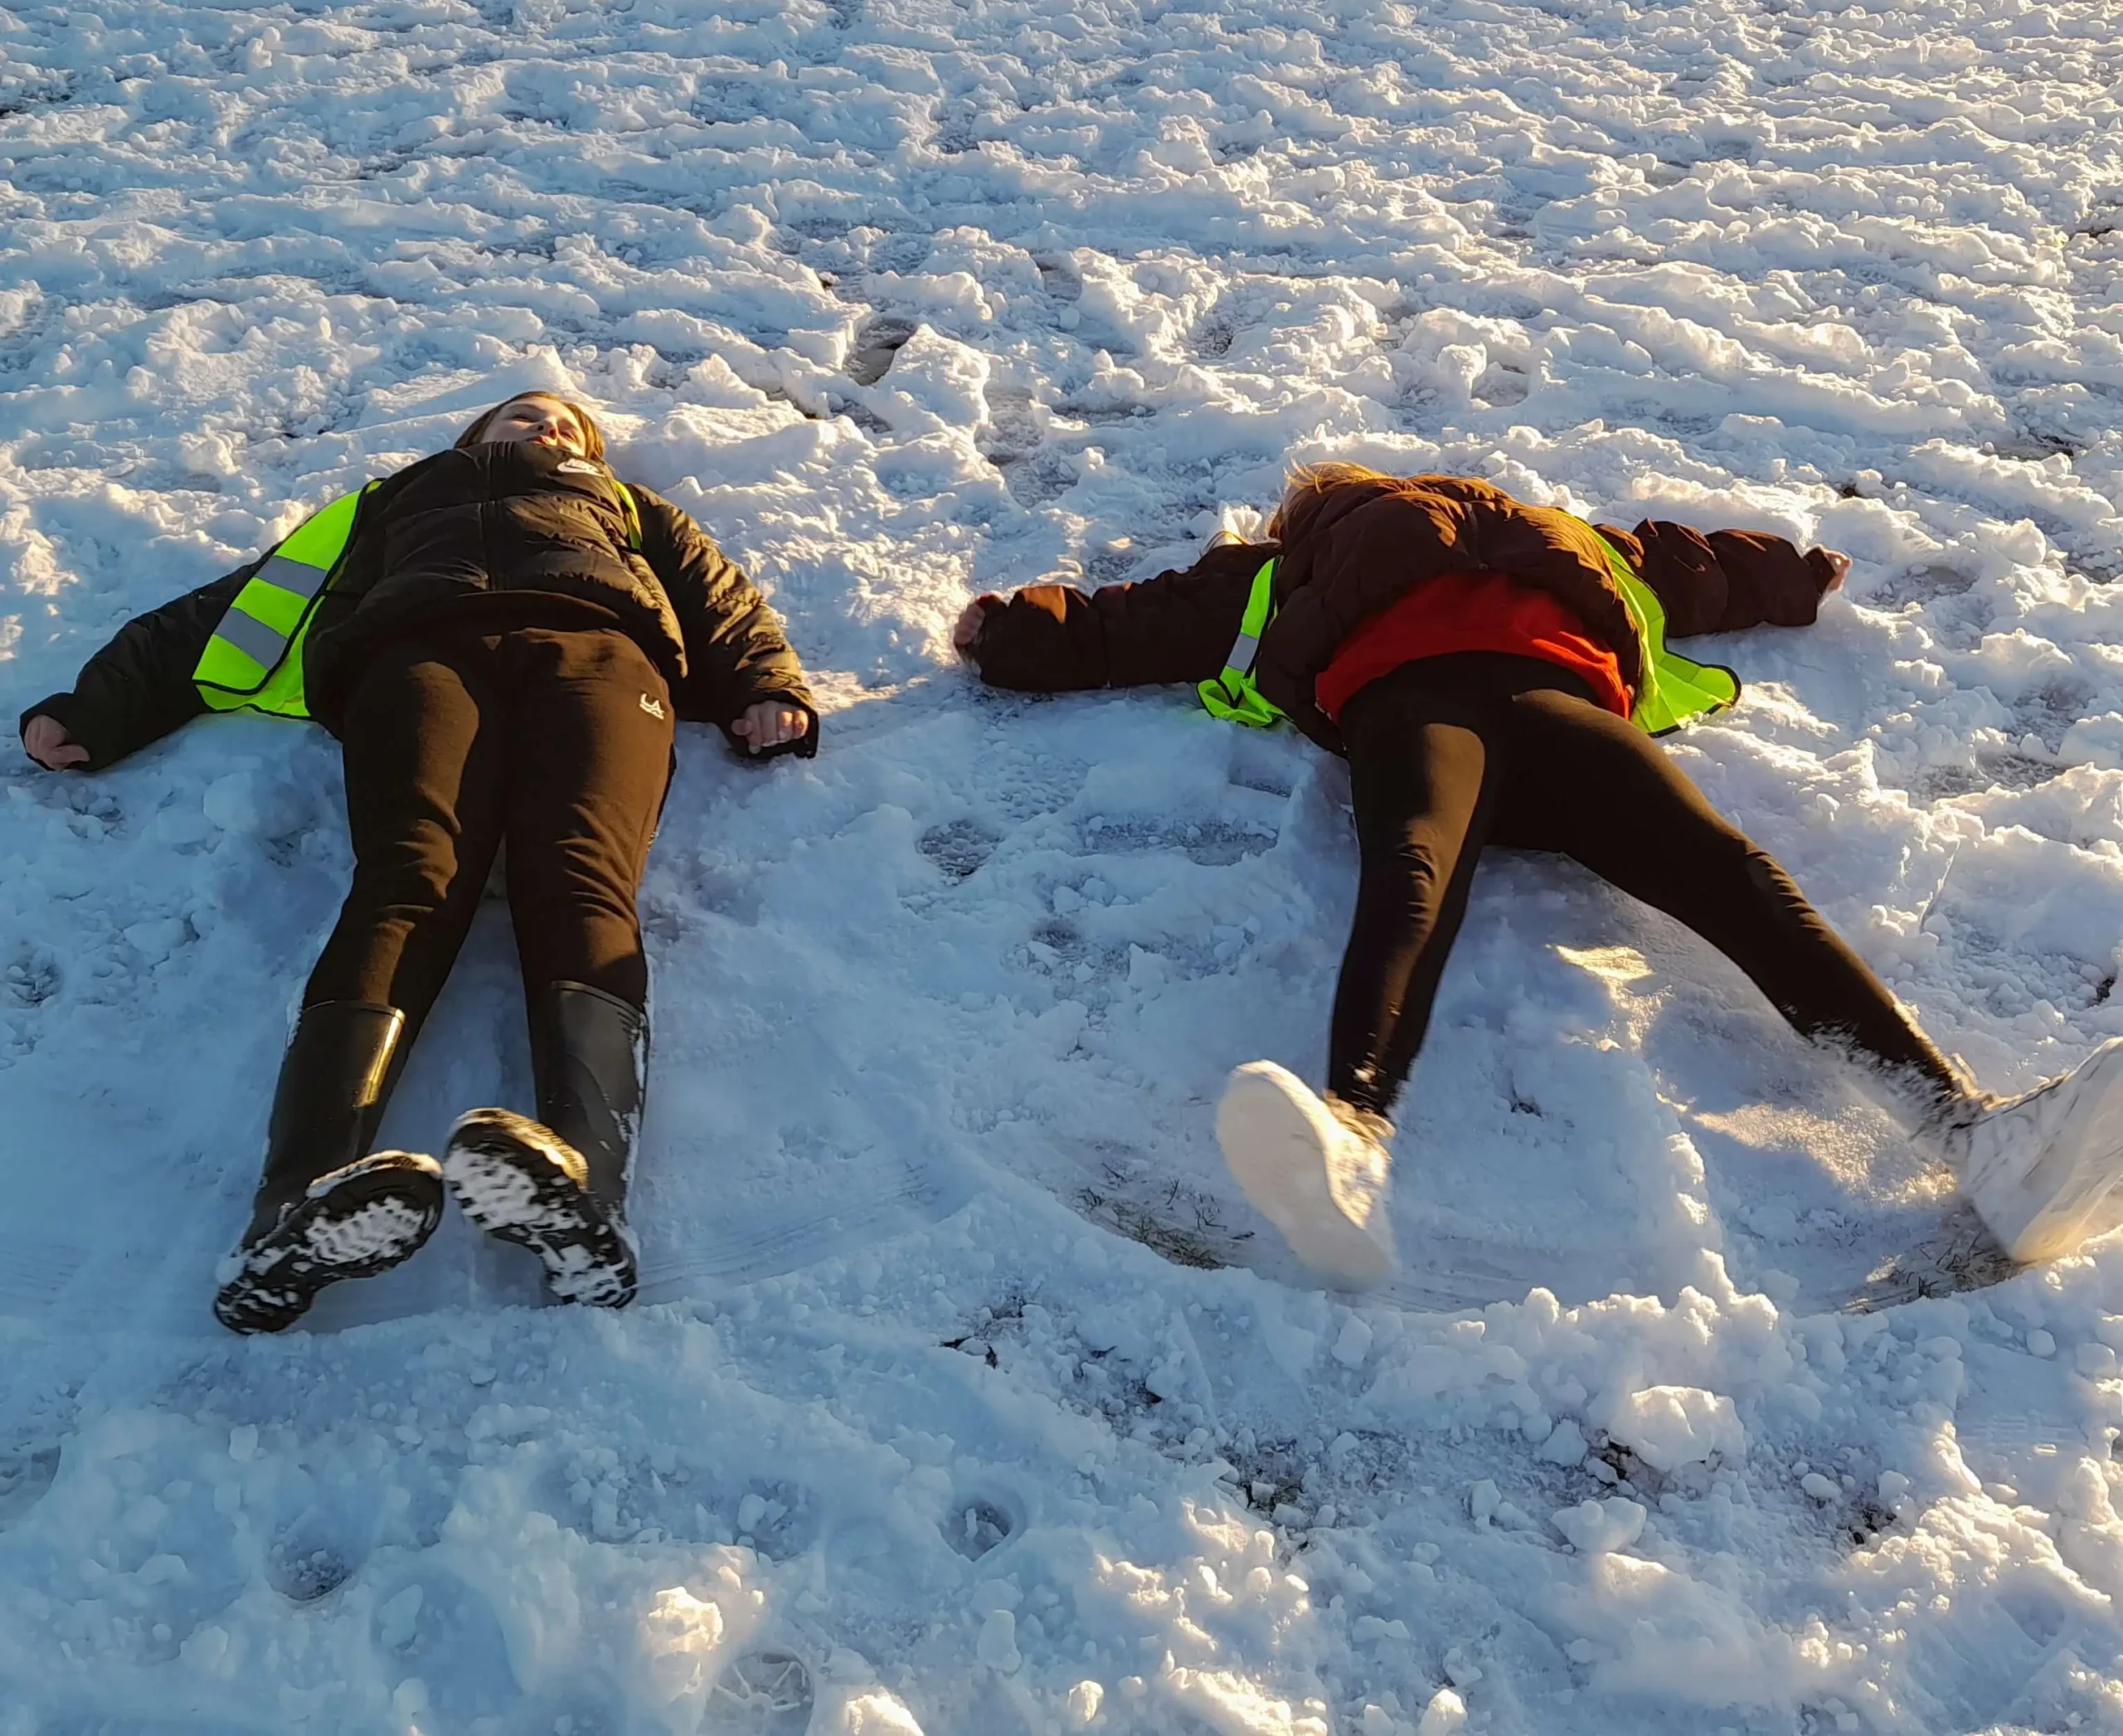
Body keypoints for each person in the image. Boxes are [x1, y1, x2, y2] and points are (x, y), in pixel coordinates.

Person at [954, 461, 2123, 1288]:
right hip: (1525, 706)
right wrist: (1791, 575)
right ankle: (1967, 1133)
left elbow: (1127, 624)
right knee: (1720, 876)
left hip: (1447, 707)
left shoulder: (1307, 560)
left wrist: (1012, 634)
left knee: (1434, 872)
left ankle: (1985, 1146)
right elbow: (1695, 569)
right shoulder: (1543, 537)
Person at [22, 391, 818, 1332]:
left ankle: (587, 1207)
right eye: (527, 414)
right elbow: (237, 604)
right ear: (474, 434)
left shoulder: (628, 507)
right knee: (410, 876)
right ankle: (290, 1214)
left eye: (569, 424)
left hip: (601, 656)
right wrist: (99, 706)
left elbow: (717, 595)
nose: (549, 427)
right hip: (418, 661)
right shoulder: (388, 503)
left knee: (580, 880)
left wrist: (766, 684)